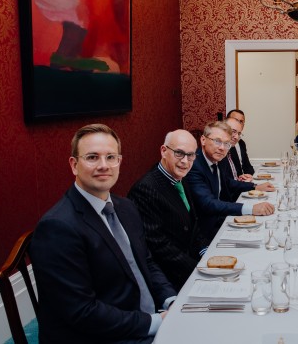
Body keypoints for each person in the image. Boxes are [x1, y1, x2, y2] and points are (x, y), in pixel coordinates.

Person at [30, 124, 176, 344]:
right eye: (92, 157)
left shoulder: (125, 207)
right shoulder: (58, 227)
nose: (103, 165)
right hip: (100, 336)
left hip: (139, 317)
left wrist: (170, 300)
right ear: (74, 165)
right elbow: (82, 312)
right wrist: (154, 322)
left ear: (119, 162)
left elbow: (146, 261)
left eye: (111, 157)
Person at [127, 129, 205, 291]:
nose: (185, 161)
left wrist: (206, 253)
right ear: (163, 151)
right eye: (179, 153)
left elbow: (193, 224)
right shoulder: (146, 189)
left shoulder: (179, 178)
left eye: (191, 155)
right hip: (171, 279)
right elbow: (159, 246)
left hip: (190, 265)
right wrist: (199, 269)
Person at [186, 121, 275, 241]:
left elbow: (227, 182)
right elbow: (208, 204)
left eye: (226, 144)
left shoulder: (218, 158)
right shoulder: (194, 165)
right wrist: (250, 208)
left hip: (221, 219)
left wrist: (254, 186)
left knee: (265, 233)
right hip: (204, 233)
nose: (222, 148)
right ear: (203, 140)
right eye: (217, 141)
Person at [222, 117, 253, 183]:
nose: (236, 137)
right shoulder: (219, 153)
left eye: (239, 134)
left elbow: (228, 181)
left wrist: (239, 179)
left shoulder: (228, 150)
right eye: (233, 131)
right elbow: (226, 184)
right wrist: (254, 186)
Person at [226, 109, 255, 175]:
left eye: (241, 121)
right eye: (235, 120)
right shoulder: (224, 145)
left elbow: (247, 166)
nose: (238, 123)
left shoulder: (242, 143)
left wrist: (250, 177)